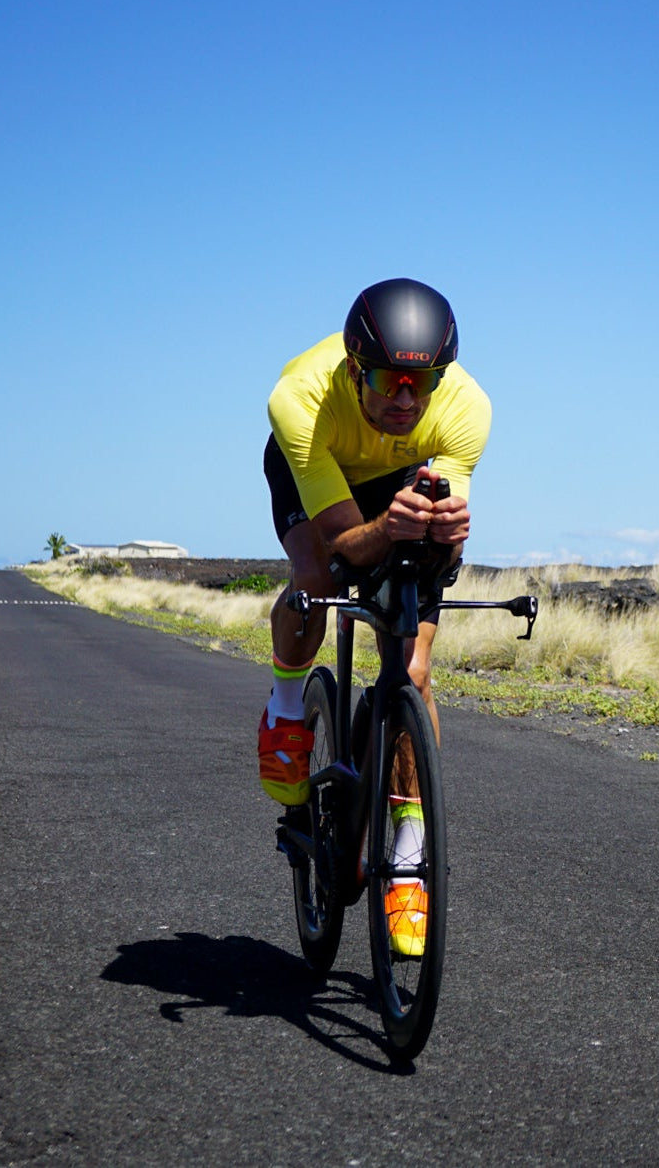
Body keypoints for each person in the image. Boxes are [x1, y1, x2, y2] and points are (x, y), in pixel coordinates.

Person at [259, 278, 490, 952]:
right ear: (356, 367)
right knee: (315, 581)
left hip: (398, 478)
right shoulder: (300, 398)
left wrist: (447, 535)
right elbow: (343, 552)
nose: (406, 399)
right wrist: (384, 532)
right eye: (389, 381)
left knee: (413, 673)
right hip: (317, 466)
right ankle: (284, 709)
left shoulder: (466, 408)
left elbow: (442, 560)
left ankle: (410, 858)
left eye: (424, 384)